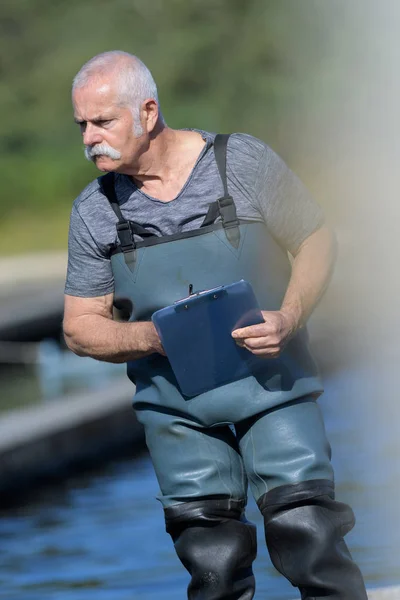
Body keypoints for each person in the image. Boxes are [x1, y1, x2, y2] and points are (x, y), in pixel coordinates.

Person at [63, 51, 368, 599]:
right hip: (176, 409)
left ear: (148, 111)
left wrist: (290, 315)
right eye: (81, 124)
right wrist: (155, 337)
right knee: (214, 567)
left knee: (308, 534)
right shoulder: (94, 211)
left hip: (274, 384)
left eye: (102, 121)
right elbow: (80, 326)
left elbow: (316, 240)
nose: (89, 137)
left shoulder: (241, 162)